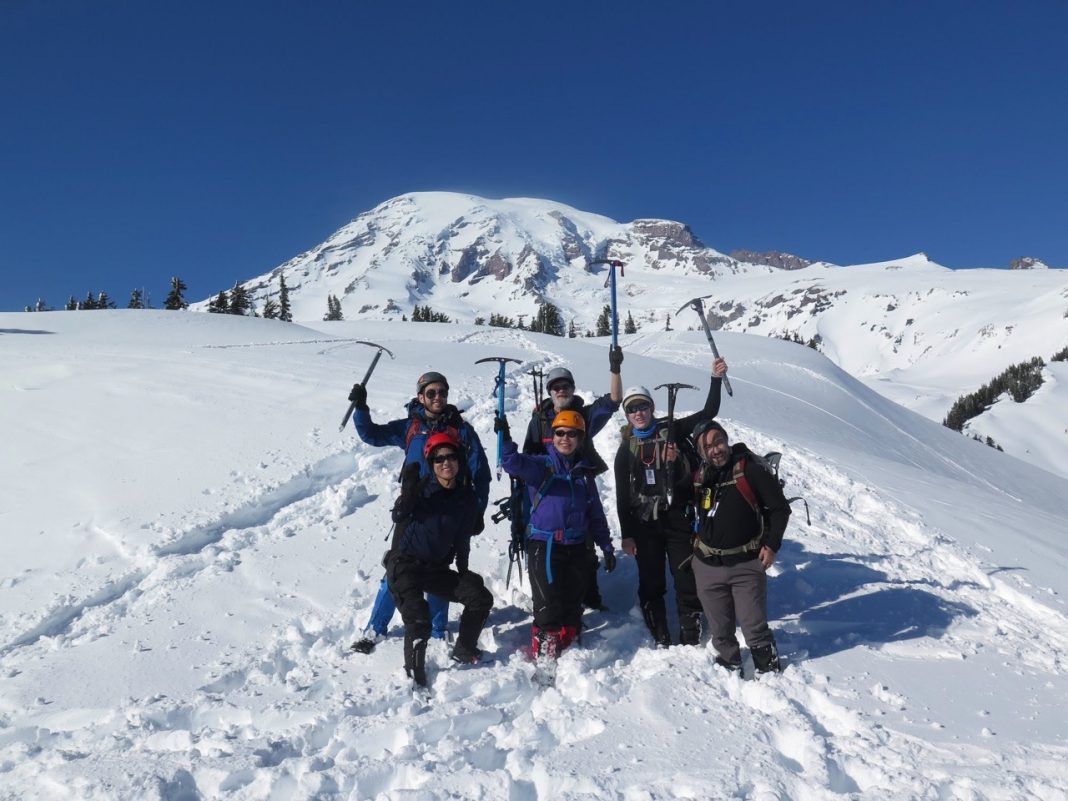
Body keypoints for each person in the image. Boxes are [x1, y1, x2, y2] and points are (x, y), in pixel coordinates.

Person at [347, 370, 490, 653]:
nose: (438, 397)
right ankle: (375, 628)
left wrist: (476, 513)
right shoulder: (410, 427)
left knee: (440, 571)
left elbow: (481, 474)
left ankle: (437, 630)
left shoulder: (461, 430)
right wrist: (361, 408)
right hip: (412, 512)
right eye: (432, 392)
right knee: (396, 570)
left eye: (442, 392)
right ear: (420, 397)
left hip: (448, 513)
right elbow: (372, 435)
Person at [615, 357, 728, 647]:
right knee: (651, 580)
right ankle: (659, 630)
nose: (638, 413)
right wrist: (627, 534)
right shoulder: (625, 451)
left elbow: (708, 412)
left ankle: (690, 630)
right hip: (644, 523)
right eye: (632, 409)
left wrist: (715, 379)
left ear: (652, 407)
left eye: (643, 406)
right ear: (627, 415)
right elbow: (622, 496)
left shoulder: (673, 430)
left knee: (685, 576)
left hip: (676, 517)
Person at [498, 410, 616, 658]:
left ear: (580, 438)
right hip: (545, 545)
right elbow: (512, 463)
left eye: (572, 434)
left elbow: (595, 513)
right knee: (547, 606)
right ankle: (545, 659)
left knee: (572, 605)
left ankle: (569, 650)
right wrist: (506, 439)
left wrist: (606, 546)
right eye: (560, 433)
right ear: (552, 437)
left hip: (576, 547)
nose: (565, 438)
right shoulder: (541, 466)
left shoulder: (584, 474)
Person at [519, 345, 623, 610]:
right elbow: (527, 454)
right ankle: (548, 598)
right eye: (556, 387)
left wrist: (615, 368)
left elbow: (613, 400)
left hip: (578, 484)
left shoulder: (584, 416)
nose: (561, 390)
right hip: (547, 491)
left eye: (565, 386)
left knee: (584, 542)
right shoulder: (539, 420)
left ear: (573, 389)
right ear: (550, 392)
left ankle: (589, 596)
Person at [386, 433, 494, 687]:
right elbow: (399, 514)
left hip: (434, 569)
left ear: (459, 461)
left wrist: (464, 570)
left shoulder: (465, 497)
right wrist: (409, 492)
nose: (446, 462)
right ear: (432, 463)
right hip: (405, 565)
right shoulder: (421, 490)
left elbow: (462, 539)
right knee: (419, 619)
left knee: (480, 598)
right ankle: (415, 676)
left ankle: (464, 650)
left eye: (451, 456)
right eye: (439, 458)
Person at [690, 420, 791, 674]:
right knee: (720, 627)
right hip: (707, 564)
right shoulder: (700, 476)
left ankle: (768, 671)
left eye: (719, 441)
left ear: (727, 440)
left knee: (753, 626)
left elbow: (780, 509)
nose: (716, 449)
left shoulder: (749, 470)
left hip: (745, 564)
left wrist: (772, 544)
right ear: (701, 453)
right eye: (708, 447)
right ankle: (729, 664)